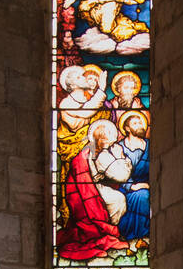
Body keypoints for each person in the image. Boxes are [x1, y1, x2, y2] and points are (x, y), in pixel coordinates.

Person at [58, 120, 128, 260]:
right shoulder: (87, 155)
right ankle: (102, 235)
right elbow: (122, 175)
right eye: (107, 137)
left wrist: (118, 158)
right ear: (98, 138)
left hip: (93, 187)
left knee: (118, 199)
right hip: (83, 191)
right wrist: (120, 157)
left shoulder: (101, 153)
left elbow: (121, 176)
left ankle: (106, 234)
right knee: (113, 201)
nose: (111, 140)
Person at [115, 111, 149, 241]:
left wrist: (147, 185)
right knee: (142, 195)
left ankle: (143, 234)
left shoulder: (150, 145)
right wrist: (130, 186)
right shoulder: (120, 147)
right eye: (135, 123)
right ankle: (135, 234)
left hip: (146, 185)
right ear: (127, 128)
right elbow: (117, 170)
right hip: (125, 187)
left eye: (140, 122)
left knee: (144, 194)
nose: (140, 125)